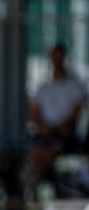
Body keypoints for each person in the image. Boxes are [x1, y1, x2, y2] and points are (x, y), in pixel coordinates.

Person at [29, 43, 86, 185]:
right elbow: (33, 112)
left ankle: (39, 181)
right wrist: (43, 126)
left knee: (51, 150)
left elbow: (76, 113)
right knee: (36, 151)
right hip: (45, 132)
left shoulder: (74, 86)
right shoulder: (44, 87)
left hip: (65, 134)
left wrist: (60, 126)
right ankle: (36, 182)